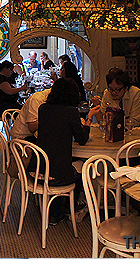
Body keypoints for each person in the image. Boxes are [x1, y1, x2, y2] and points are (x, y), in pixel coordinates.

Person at [33, 77, 99, 225]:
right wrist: (89, 118)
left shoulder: (43, 109)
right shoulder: (71, 112)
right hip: (56, 175)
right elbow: (81, 139)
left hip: (38, 169)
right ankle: (70, 209)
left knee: (60, 163)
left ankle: (57, 209)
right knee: (82, 167)